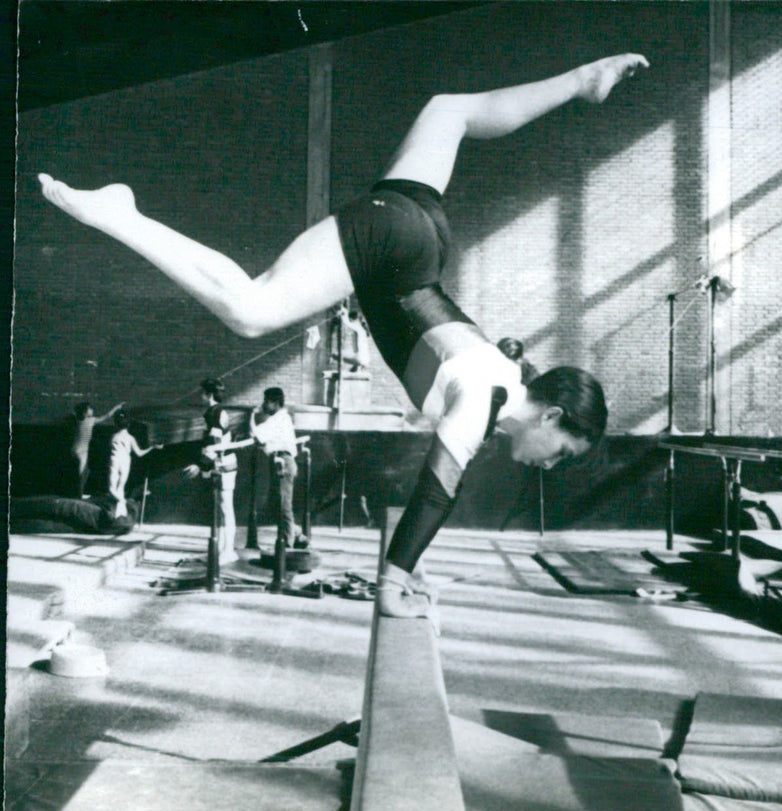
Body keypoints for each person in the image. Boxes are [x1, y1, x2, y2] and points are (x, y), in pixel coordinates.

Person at [38, 52, 649, 616]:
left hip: (419, 235)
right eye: (563, 453)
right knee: (250, 311)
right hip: (393, 252)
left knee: (449, 110)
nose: (549, 466)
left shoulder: (503, 374)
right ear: (553, 418)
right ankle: (122, 215)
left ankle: (579, 80)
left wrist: (408, 573)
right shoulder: (488, 400)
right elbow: (436, 496)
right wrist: (392, 582)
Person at [182, 377, 239, 565]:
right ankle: (223, 549)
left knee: (226, 508)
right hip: (221, 461)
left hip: (224, 462)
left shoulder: (214, 413)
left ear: (209, 394)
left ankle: (229, 550)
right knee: (223, 508)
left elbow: (214, 443)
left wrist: (200, 464)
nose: (200, 396)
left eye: (202, 393)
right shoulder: (216, 411)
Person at [249, 386, 305, 548]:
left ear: (275, 402)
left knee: (284, 505)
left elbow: (257, 435)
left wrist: (251, 416)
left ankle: (288, 543)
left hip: (284, 462)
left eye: (266, 401)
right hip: (280, 461)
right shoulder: (280, 418)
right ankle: (295, 533)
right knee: (279, 503)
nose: (264, 404)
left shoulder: (279, 419)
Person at [107, 410, 163, 518]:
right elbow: (139, 453)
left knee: (112, 489)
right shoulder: (130, 438)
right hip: (125, 461)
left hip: (114, 460)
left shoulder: (113, 437)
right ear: (128, 425)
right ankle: (121, 513)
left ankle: (120, 505)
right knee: (120, 488)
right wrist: (153, 447)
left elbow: (110, 448)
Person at [70, 399, 125, 498]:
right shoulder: (91, 420)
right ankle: (79, 495)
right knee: (82, 474)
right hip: (83, 451)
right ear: (85, 413)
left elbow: (74, 413)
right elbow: (107, 416)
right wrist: (116, 408)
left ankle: (78, 493)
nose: (92, 410)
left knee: (85, 472)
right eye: (90, 409)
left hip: (74, 449)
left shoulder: (78, 420)